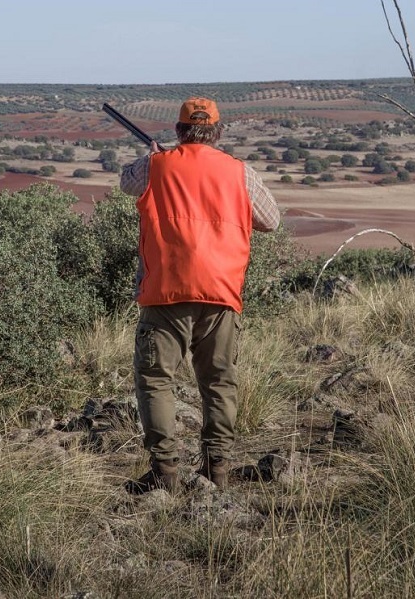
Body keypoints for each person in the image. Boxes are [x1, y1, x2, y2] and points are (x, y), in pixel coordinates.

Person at [120, 97, 280, 493]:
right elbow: (271, 221)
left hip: (165, 292)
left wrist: (156, 157)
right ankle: (217, 471)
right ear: (218, 132)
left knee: (157, 380)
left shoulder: (155, 166)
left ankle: (165, 473)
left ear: (179, 130)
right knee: (219, 382)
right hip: (221, 292)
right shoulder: (240, 173)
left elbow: (126, 182)